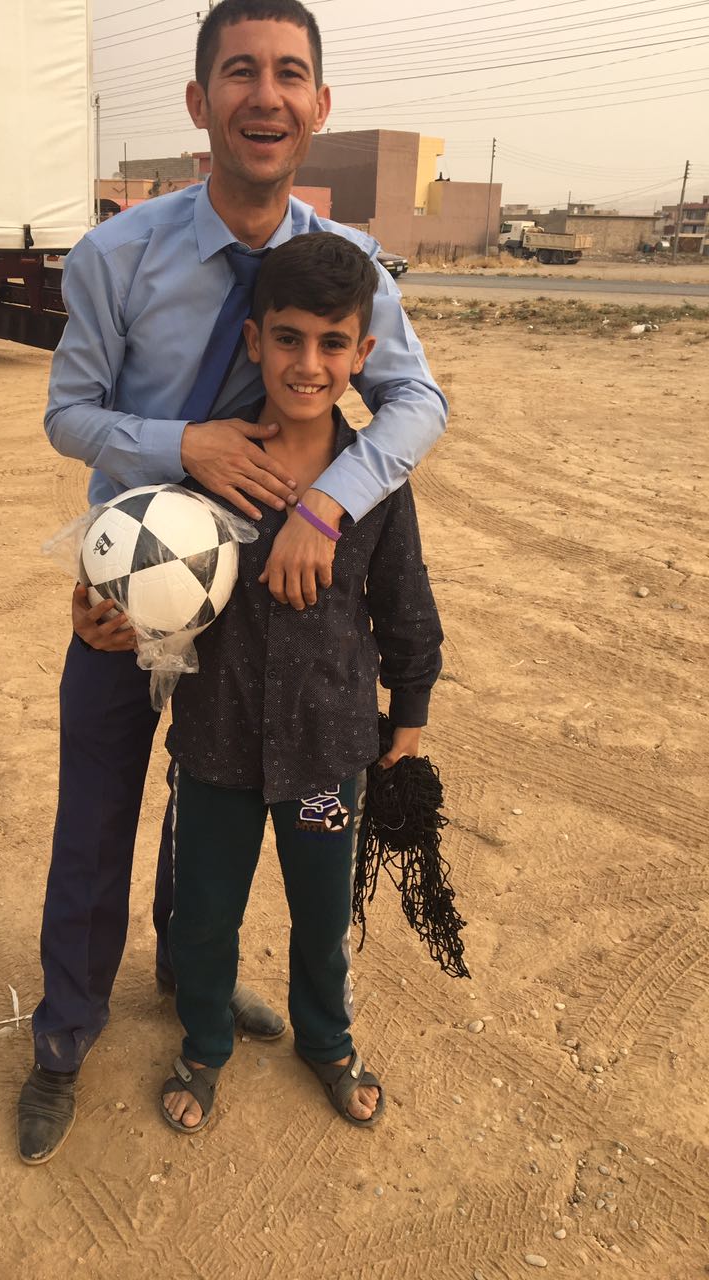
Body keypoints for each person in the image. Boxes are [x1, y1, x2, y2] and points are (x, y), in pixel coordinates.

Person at [18, 0, 448, 1165]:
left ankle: (192, 985)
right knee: (97, 815)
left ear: (320, 106)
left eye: (290, 73)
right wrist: (184, 444)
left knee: (211, 798)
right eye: (241, 72)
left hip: (266, 608)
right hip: (132, 594)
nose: (267, 94)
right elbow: (69, 412)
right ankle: (63, 1032)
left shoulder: (343, 267)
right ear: (200, 101)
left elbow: (417, 401)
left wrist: (325, 503)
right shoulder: (116, 255)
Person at [159, 232, 444, 1132]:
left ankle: (328, 1041)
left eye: (332, 344)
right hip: (215, 747)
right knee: (205, 914)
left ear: (364, 354)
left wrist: (410, 713)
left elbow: (405, 604)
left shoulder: (376, 487)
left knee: (323, 915)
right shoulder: (211, 473)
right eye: (288, 338)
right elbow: (152, 584)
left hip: (328, 753)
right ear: (254, 341)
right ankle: (205, 1042)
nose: (308, 364)